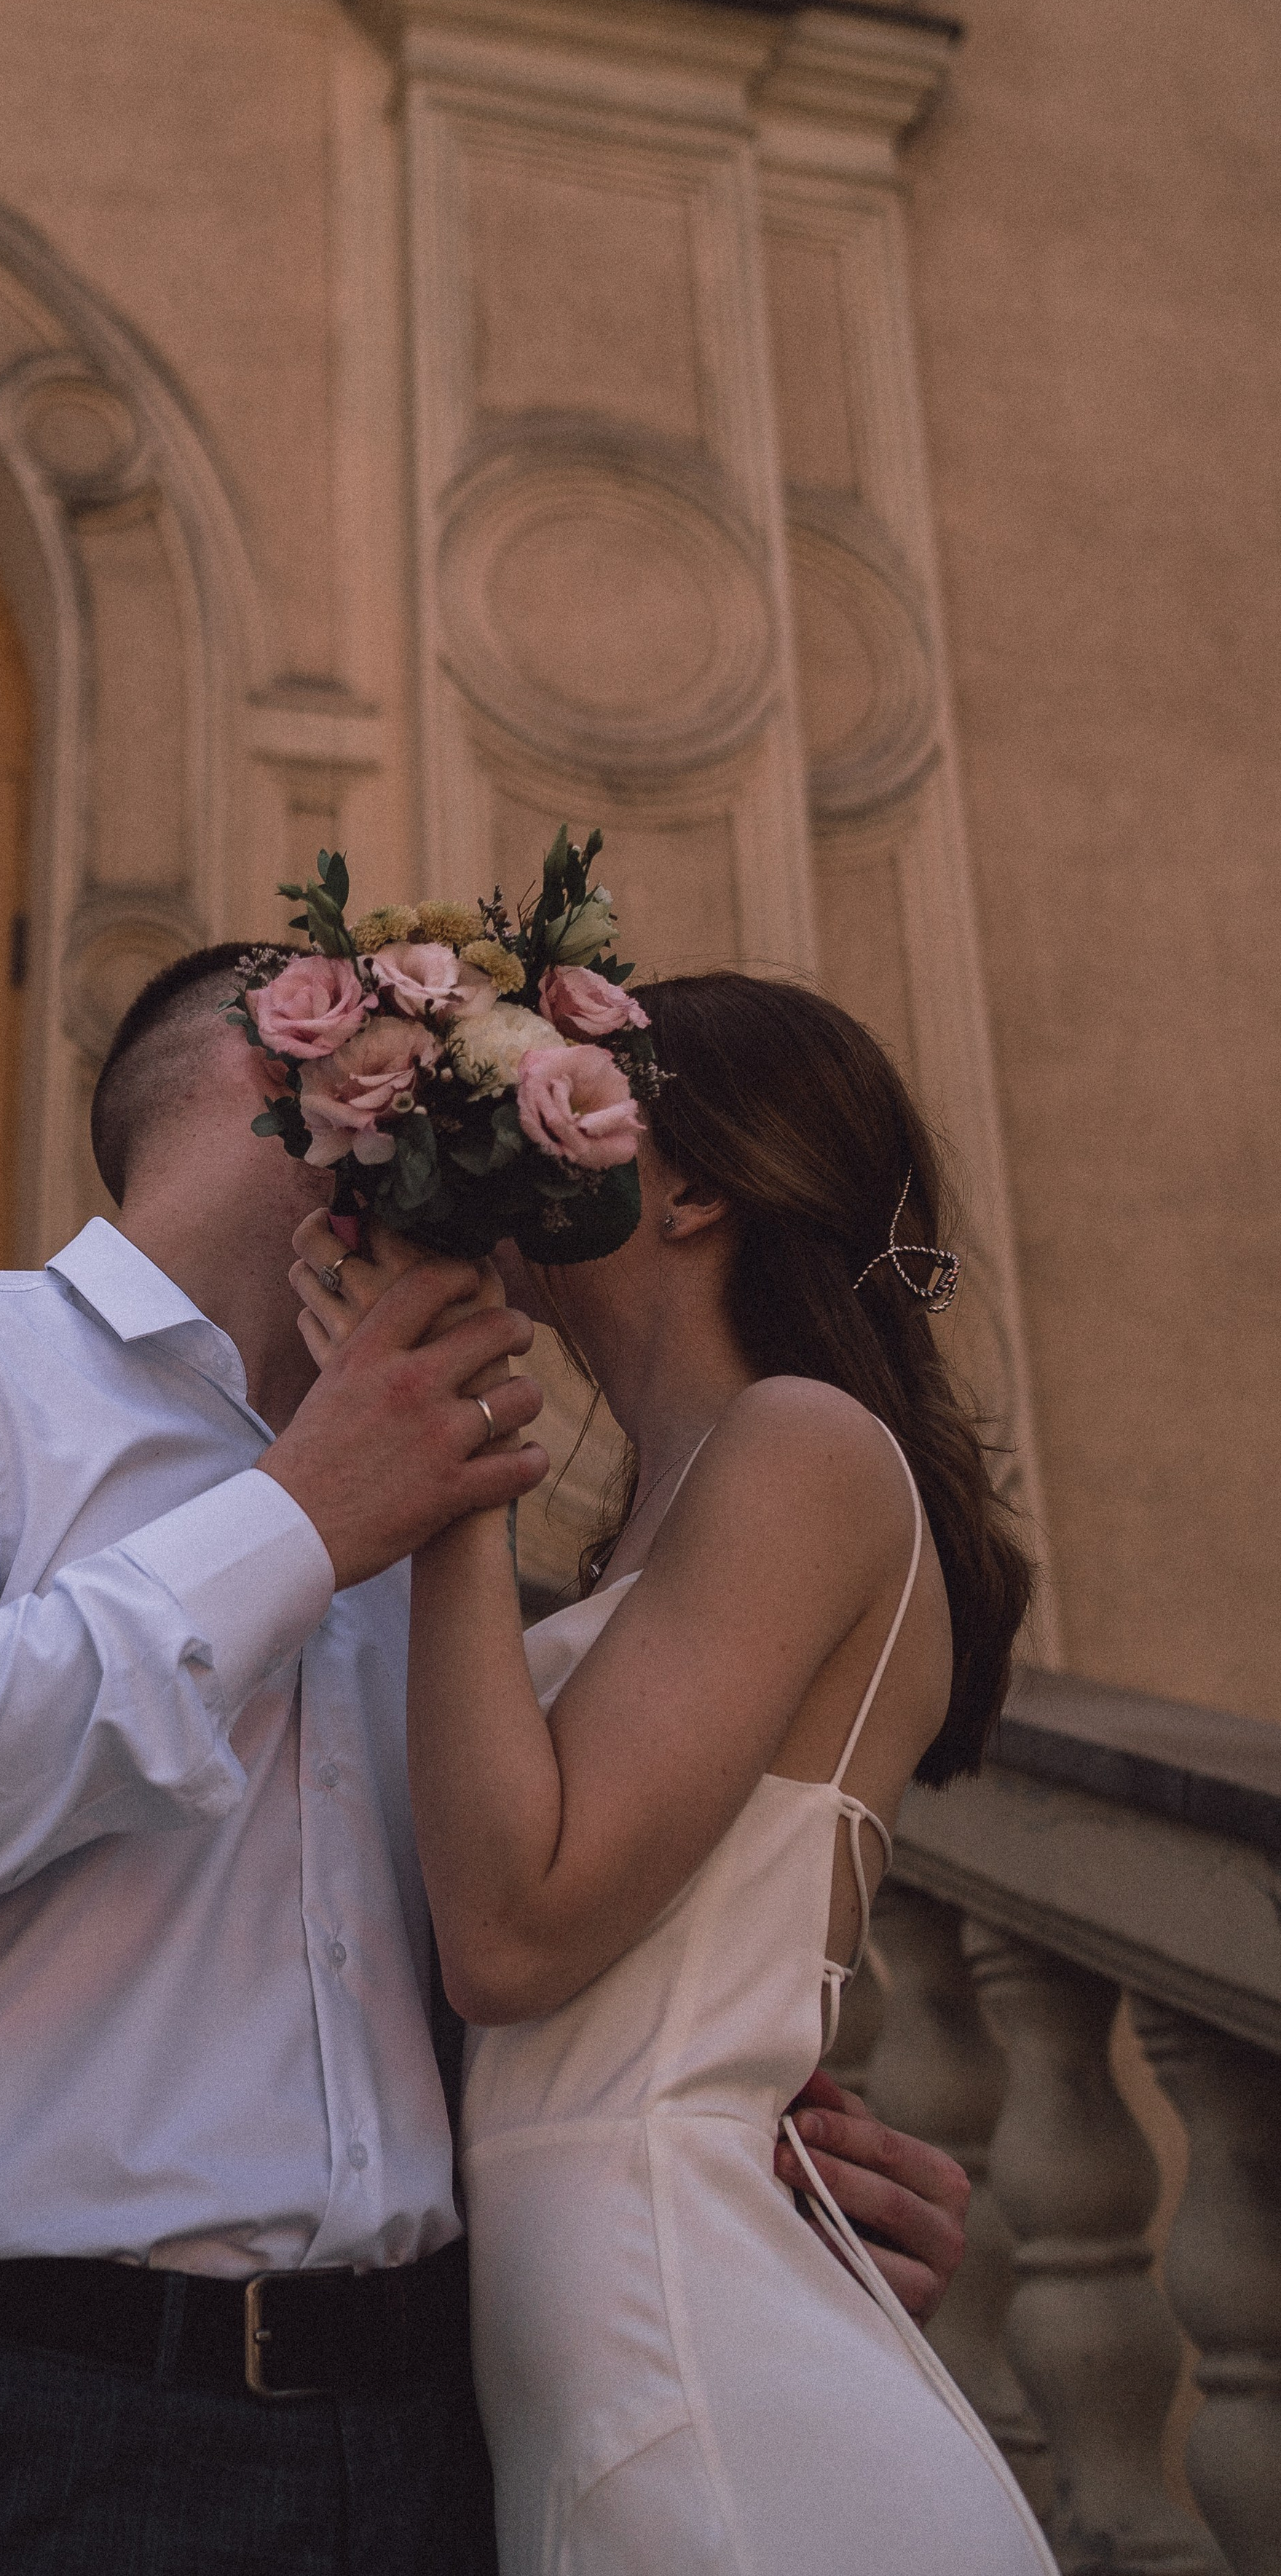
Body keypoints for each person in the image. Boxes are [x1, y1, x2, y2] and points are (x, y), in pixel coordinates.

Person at [0, 945, 974, 2576]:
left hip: (423, 2444)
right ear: (280, 1076)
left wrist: (745, 2157)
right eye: (442, 1074)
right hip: (6, 2432)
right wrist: (292, 1528)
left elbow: (473, 1956)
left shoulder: (450, 1515)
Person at [291, 968, 1055, 2576]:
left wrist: (454, 1479)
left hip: (685, 2359)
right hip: (589, 2336)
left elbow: (512, 1937)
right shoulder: (675, 1501)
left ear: (692, 1183)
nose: (509, 1149)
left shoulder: (803, 1445)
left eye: (567, 1101)